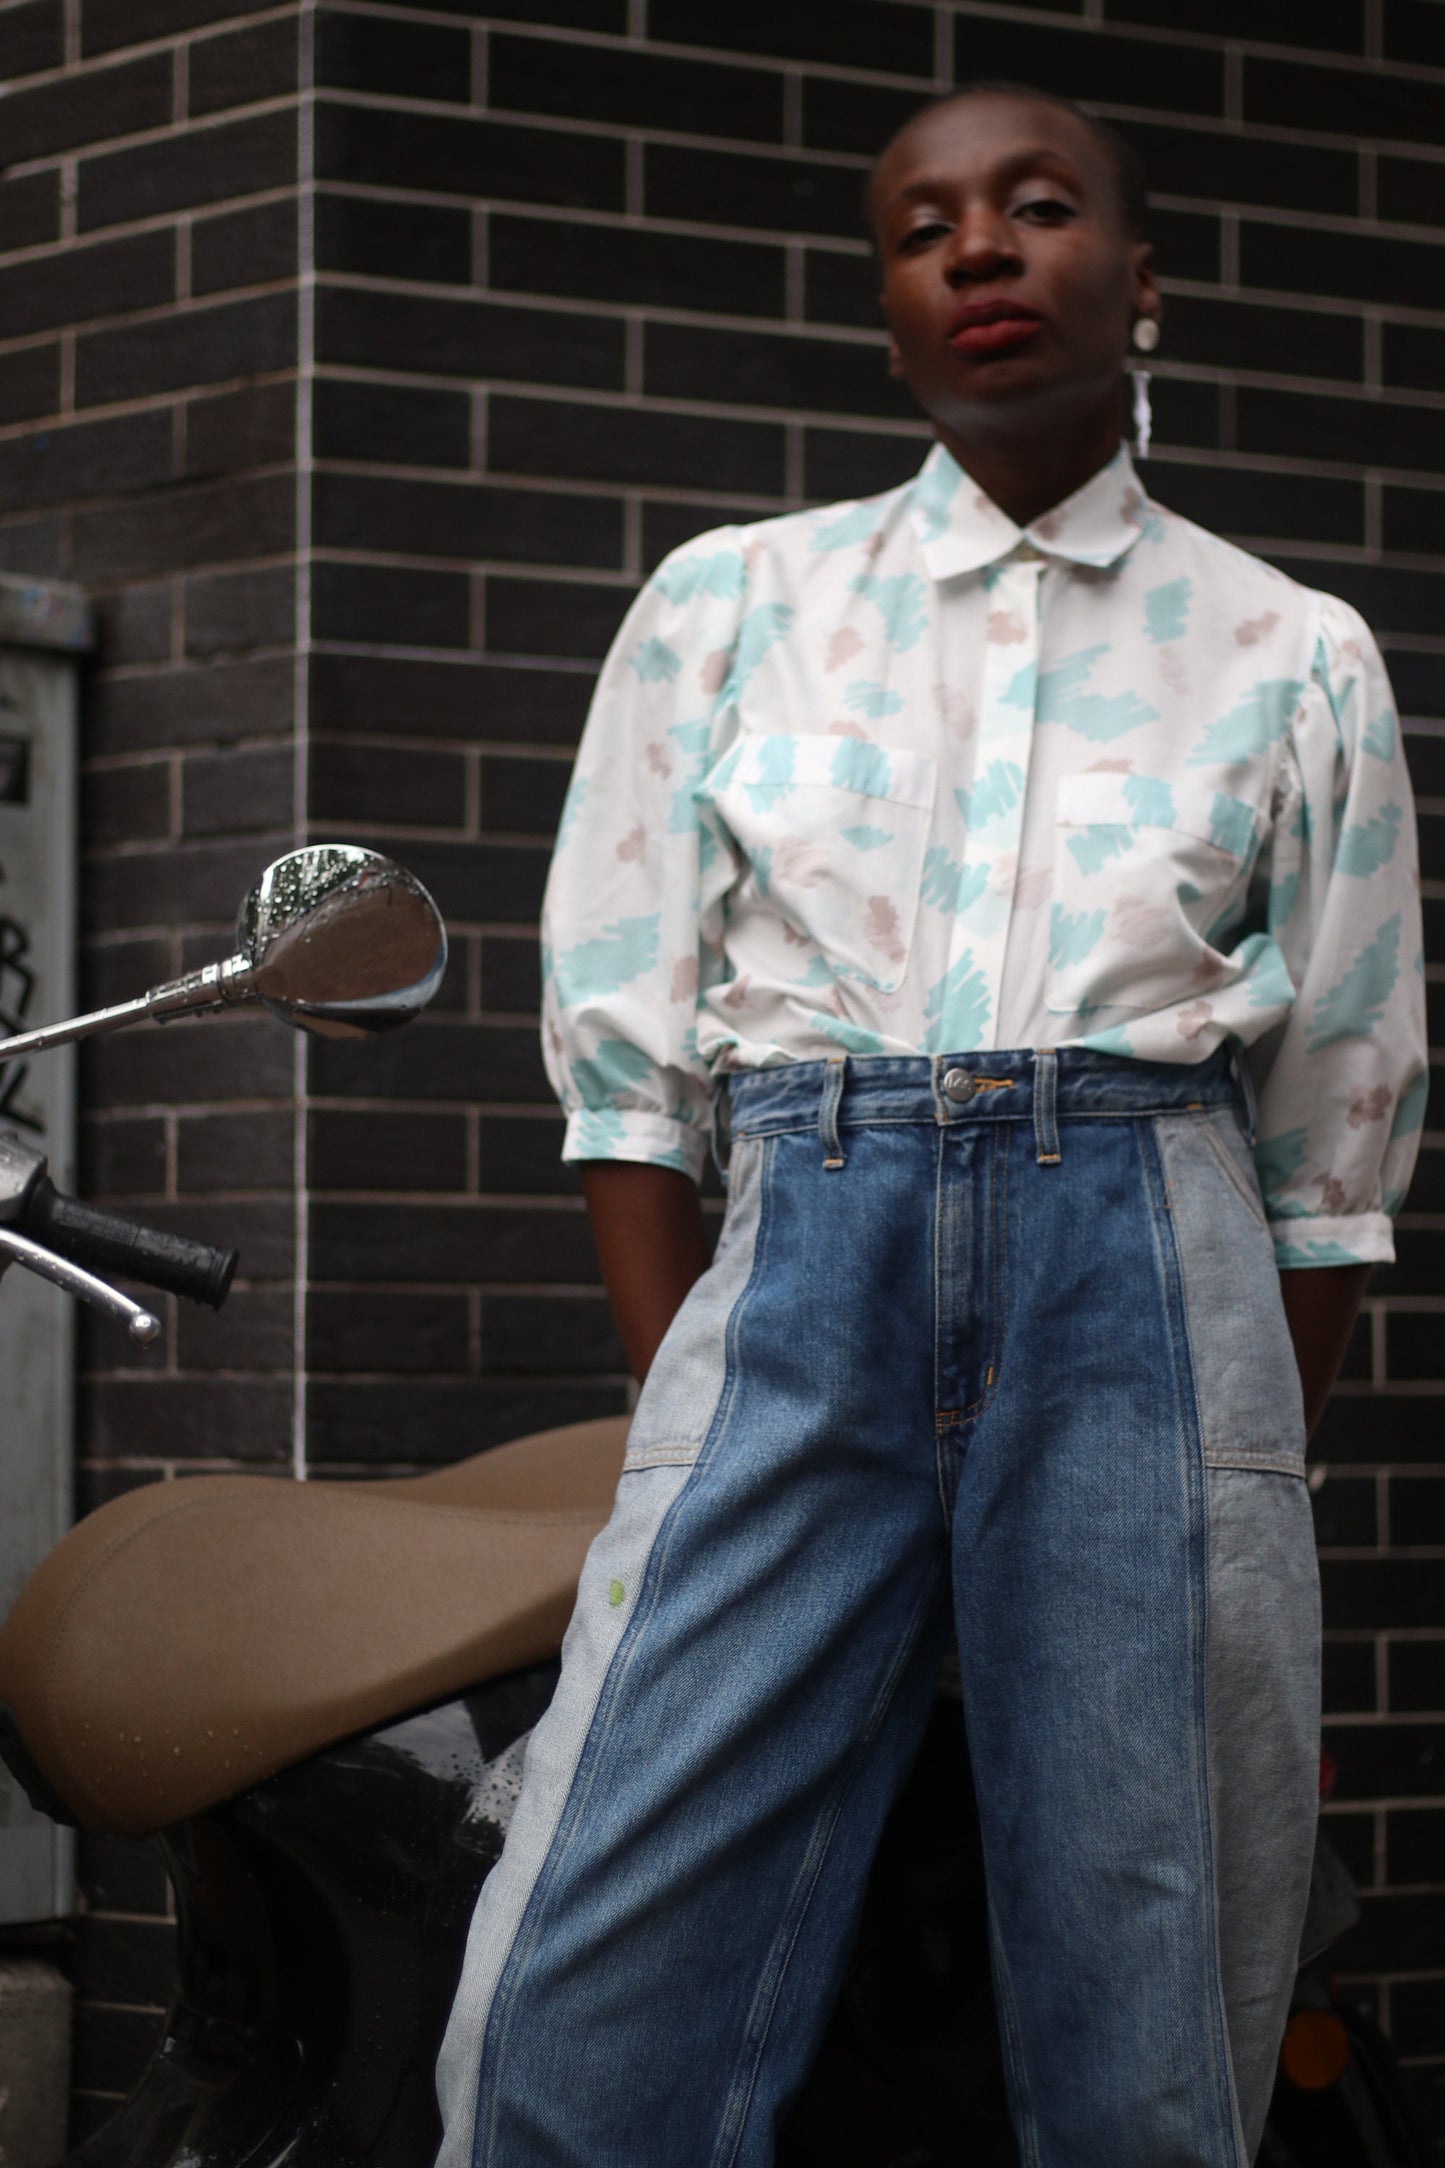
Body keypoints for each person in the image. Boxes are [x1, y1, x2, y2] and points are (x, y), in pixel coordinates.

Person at [436, 82, 1427, 2168]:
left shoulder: (1293, 654)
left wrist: (1225, 1461)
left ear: (1140, 283)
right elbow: (627, 1070)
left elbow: (1329, 1154)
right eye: (924, 228)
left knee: (1141, 1986)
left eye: (1040, 206)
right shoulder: (728, 607)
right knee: (586, 1971)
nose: (980, 248)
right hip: (801, 1264)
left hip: (1150, 1288)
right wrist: (711, 1375)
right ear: (888, 306)